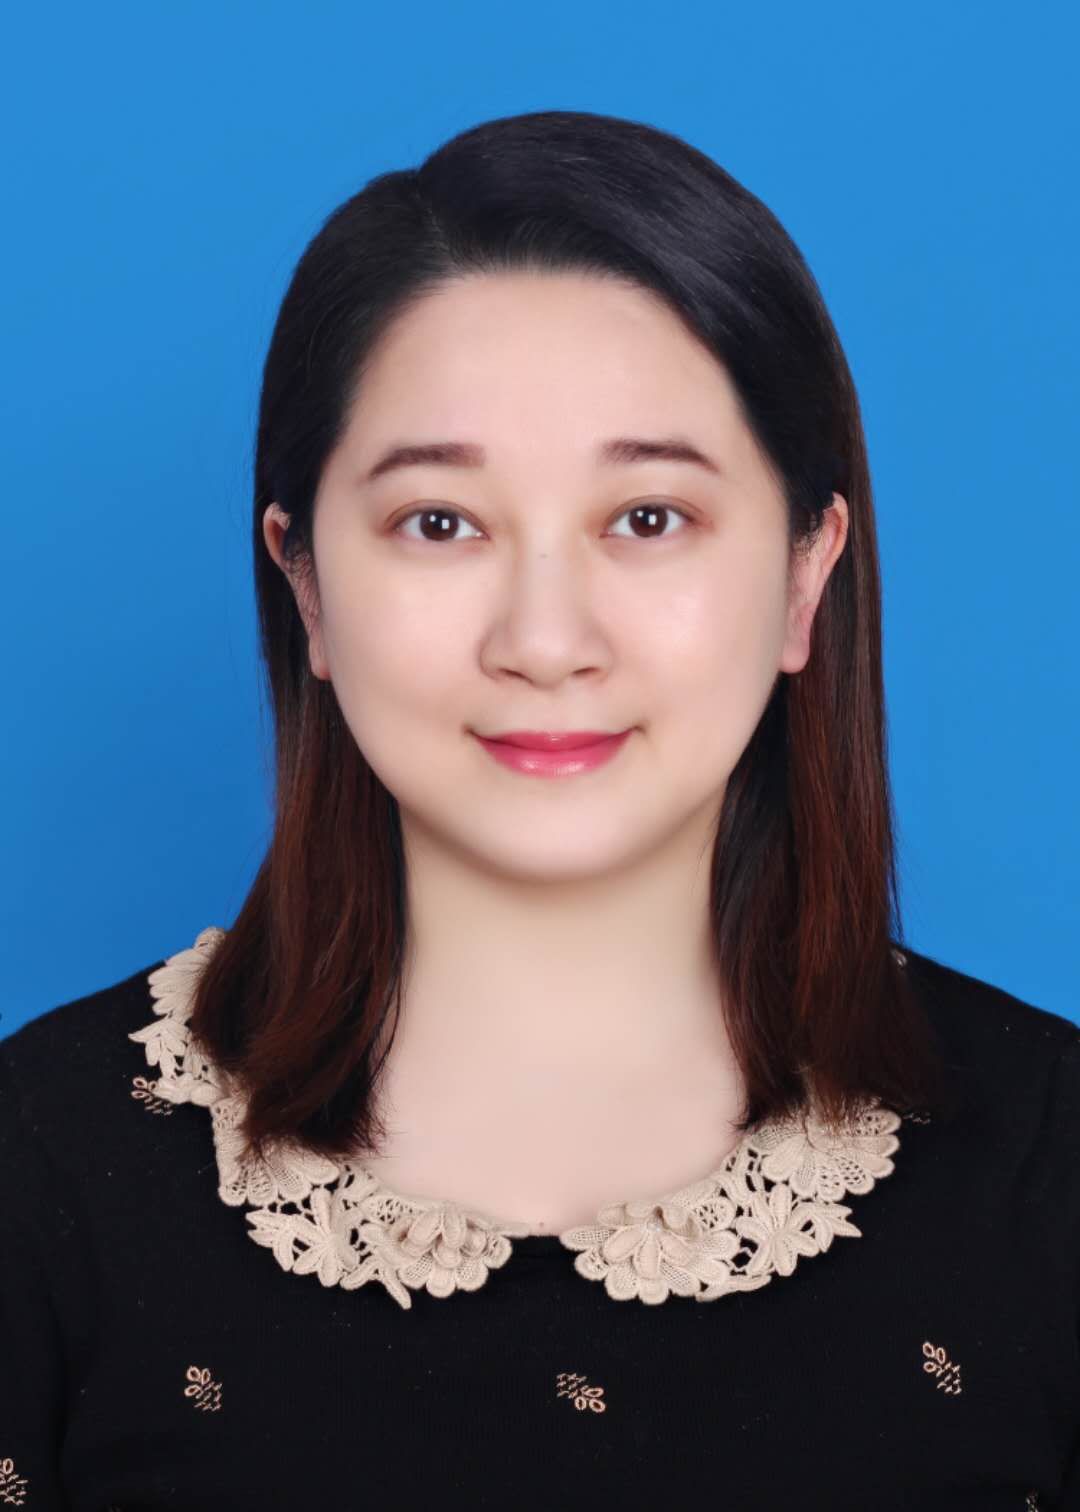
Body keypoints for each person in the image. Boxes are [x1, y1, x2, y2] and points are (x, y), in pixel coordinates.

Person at [2, 108, 1077, 1510]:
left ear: (807, 571)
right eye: (440, 523)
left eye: (649, 518)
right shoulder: (40, 1169)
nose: (546, 641)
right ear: (305, 582)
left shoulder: (1052, 1164)